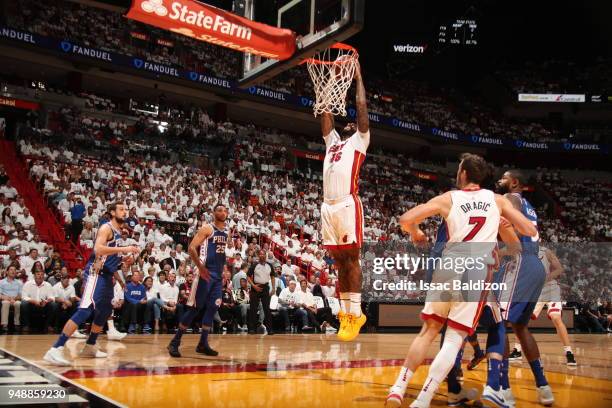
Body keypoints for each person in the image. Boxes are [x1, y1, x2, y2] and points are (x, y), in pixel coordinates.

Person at [385, 153, 538, 407]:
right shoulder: (497, 200)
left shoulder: (448, 198)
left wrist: (416, 232)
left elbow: (405, 220)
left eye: (458, 168)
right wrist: (501, 224)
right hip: (476, 269)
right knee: (455, 339)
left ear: (464, 174)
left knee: (428, 332)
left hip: (448, 264)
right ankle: (423, 399)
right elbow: (528, 231)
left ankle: (397, 388)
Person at [43, 202, 139, 366]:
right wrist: (123, 249)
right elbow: (98, 250)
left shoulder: (118, 232)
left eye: (126, 210)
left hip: (108, 275)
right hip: (96, 274)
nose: (125, 212)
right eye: (121, 209)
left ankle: (90, 345)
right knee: (86, 309)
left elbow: (109, 257)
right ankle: (55, 349)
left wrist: (124, 260)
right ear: (112, 212)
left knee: (105, 310)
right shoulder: (106, 228)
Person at [319, 61, 369, 341]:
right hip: (328, 205)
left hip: (348, 204)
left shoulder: (360, 140)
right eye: (347, 122)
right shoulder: (333, 142)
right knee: (338, 262)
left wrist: (357, 77)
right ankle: (346, 314)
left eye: (354, 123)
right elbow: (325, 114)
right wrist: (332, 80)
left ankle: (355, 312)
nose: (351, 123)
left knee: (351, 259)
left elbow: (362, 112)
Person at [496, 169, 554, 405]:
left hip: (521, 262)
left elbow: (514, 231)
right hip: (536, 265)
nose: (500, 180)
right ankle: (543, 387)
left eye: (504, 177)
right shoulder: (528, 204)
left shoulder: (511, 199)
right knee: (520, 327)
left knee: (499, 323)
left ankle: (504, 389)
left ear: (514, 182)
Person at [167, 204, 228, 358]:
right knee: (195, 308)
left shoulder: (225, 232)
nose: (223, 212)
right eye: (219, 210)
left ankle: (203, 343)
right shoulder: (207, 228)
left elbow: (220, 254)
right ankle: (174, 342)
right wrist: (200, 267)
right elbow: (192, 248)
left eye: (225, 210)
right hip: (205, 273)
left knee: (213, 308)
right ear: (214, 213)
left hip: (218, 276)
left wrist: (224, 270)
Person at [531, 246, 577, 366]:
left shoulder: (545, 251)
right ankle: (517, 350)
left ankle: (569, 352)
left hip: (550, 288)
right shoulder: (520, 251)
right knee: (523, 320)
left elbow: (559, 269)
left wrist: (545, 278)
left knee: (556, 318)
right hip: (534, 290)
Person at [246, 250, 274, 335]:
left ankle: (270, 329)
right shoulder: (254, 265)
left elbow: (272, 276)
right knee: (253, 309)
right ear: (258, 256)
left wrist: (274, 288)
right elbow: (248, 276)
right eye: (260, 254)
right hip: (255, 287)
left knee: (267, 309)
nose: (262, 255)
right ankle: (251, 329)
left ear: (265, 256)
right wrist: (253, 286)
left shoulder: (269, 265)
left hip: (265, 287)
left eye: (263, 254)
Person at [0, 265, 23, 333]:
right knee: (5, 303)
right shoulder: (1, 282)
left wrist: (15, 299)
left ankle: (17, 324)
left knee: (18, 304)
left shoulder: (19, 282)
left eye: (14, 270)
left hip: (15, 300)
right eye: (11, 270)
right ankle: (4, 325)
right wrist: (6, 298)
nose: (13, 271)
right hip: (5, 299)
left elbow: (20, 295)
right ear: (7, 272)